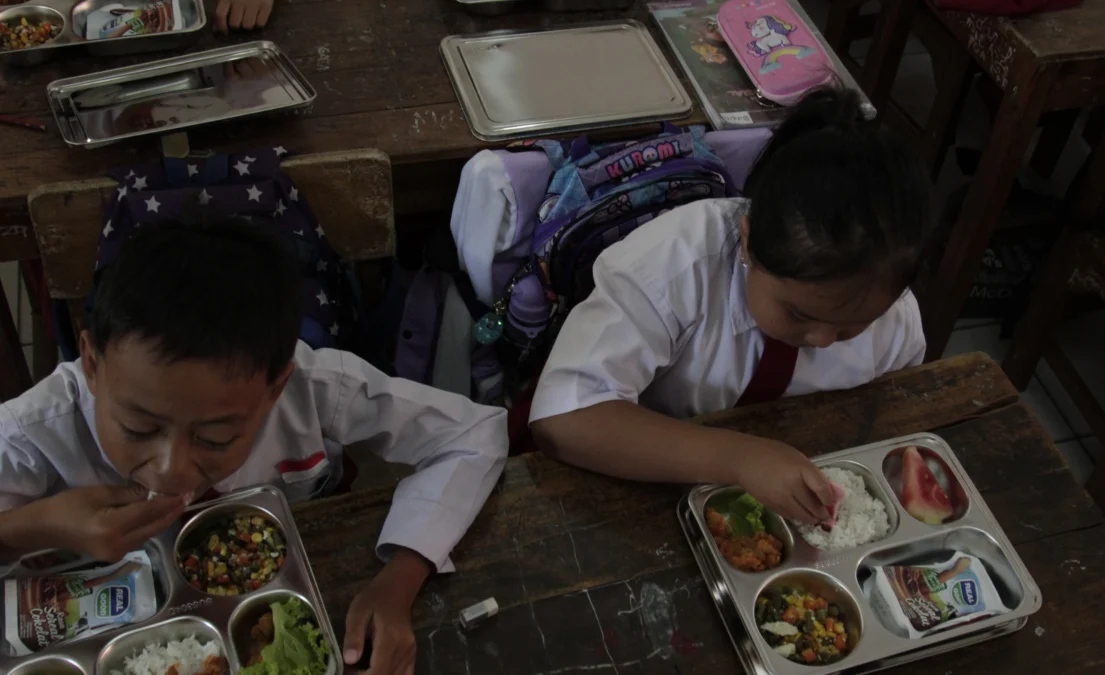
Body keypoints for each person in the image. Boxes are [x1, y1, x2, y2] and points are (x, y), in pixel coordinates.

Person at [0, 219, 507, 675]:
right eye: (137, 429)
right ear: (91, 363)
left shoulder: (315, 386)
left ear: (275, 386)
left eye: (215, 438)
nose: (173, 469)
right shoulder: (35, 429)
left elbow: (473, 433)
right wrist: (36, 526)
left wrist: (400, 579)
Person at [529, 88, 932, 526]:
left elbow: (892, 418)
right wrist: (738, 457)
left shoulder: (896, 319)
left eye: (853, 325)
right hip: (636, 485)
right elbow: (562, 419)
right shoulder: (674, 262)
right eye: (799, 314)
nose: (822, 340)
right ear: (746, 241)